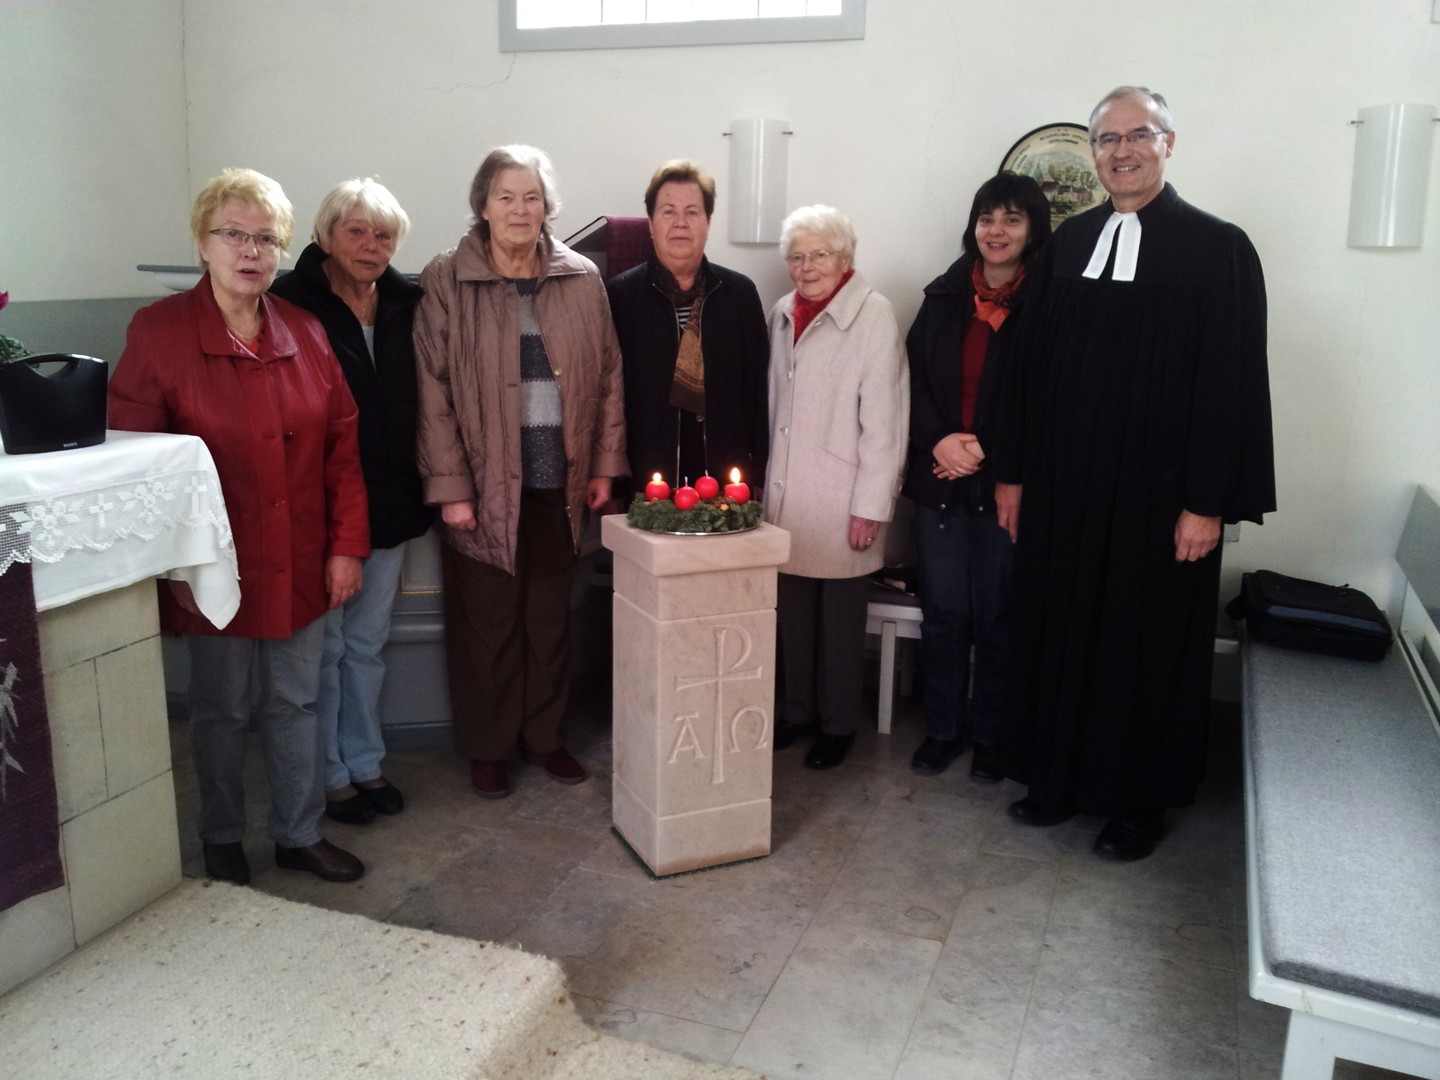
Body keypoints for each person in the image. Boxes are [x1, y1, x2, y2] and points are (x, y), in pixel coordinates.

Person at [993, 87, 1274, 860]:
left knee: (1144, 646)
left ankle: (1137, 802)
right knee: (1059, 624)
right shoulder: (1069, 244)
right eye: (1107, 138)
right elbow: (1026, 371)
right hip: (1067, 491)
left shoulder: (1218, 249)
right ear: (1094, 153)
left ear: (1169, 142)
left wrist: (1207, 503)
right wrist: (1012, 475)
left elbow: (1230, 385)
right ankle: (1054, 776)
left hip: (1163, 502)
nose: (1122, 149)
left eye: (1138, 134)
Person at [108, 168, 371, 884]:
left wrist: (348, 546)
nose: (249, 250)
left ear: (281, 250)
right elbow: (138, 466)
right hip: (210, 564)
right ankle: (222, 836)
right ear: (203, 242)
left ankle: (298, 832)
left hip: (302, 557)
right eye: (233, 234)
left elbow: (343, 453)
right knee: (220, 709)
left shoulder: (309, 333)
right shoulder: (159, 334)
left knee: (297, 700)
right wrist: (176, 569)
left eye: (265, 238)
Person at [414, 145, 626, 800]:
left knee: (548, 620)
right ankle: (489, 747)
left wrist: (603, 467)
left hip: (557, 484)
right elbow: (432, 391)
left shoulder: (581, 278)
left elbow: (610, 376)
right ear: (483, 205)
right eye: (505, 196)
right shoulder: (447, 278)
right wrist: (450, 489)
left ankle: (544, 737)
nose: (519, 209)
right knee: (488, 626)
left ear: (547, 207)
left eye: (531, 196)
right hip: (481, 488)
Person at [269, 178, 434, 826]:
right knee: (328, 649)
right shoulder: (289, 304)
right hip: (325, 509)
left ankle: (364, 761)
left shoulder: (407, 303)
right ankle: (330, 775)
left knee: (368, 645)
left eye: (384, 235)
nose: (372, 246)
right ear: (325, 235)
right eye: (357, 231)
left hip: (390, 501)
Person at [903, 173, 1051, 780]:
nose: (997, 231)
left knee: (998, 618)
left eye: (1011, 219)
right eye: (988, 218)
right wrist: (941, 439)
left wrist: (983, 451)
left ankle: (991, 735)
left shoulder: (1050, 304)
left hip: (1006, 485)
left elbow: (1049, 398)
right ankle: (942, 728)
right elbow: (909, 380)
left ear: (1033, 230)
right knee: (942, 614)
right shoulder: (942, 296)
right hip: (939, 478)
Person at [765, 205, 908, 771]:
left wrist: (872, 505)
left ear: (846, 259)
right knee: (793, 614)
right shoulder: (780, 312)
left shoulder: (874, 316)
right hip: (788, 495)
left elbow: (887, 421)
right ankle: (797, 712)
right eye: (797, 257)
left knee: (840, 623)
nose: (806, 266)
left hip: (844, 496)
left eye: (819, 254)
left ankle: (838, 724)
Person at [606, 160, 769, 494]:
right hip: (645, 477)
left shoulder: (739, 295)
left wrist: (760, 472)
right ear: (650, 224)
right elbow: (607, 393)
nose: (680, 223)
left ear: (708, 222)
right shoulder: (620, 296)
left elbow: (759, 391)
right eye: (668, 212)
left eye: (693, 212)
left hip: (727, 477)